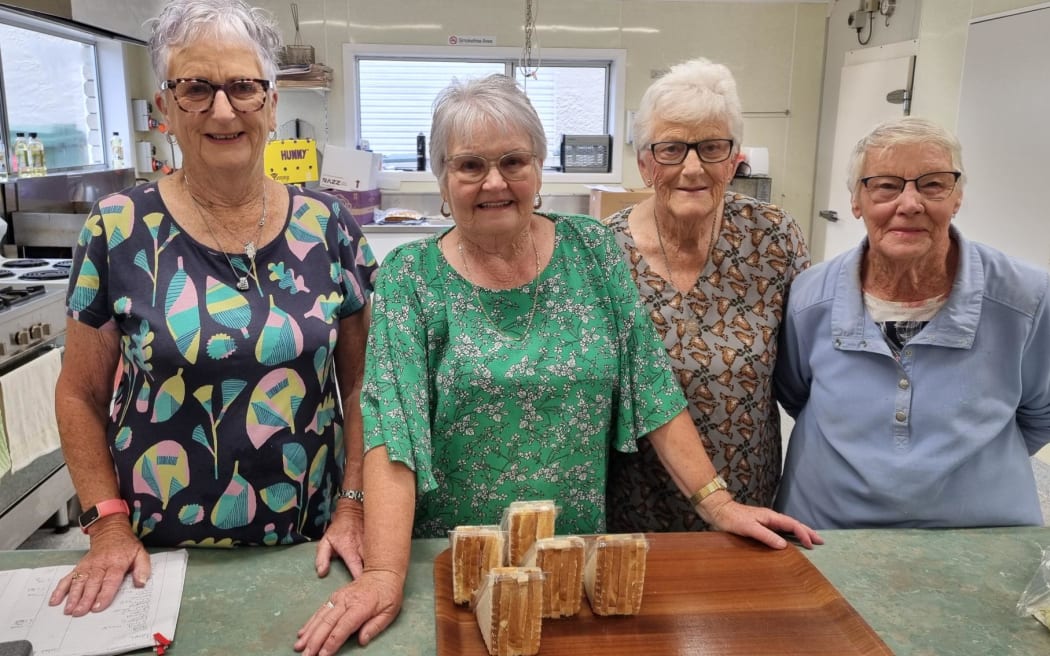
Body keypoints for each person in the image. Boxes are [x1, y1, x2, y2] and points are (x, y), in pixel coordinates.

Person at [294, 74, 820, 655]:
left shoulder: (592, 250)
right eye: (470, 166)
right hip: (456, 563)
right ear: (443, 180)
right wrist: (385, 576)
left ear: (539, 169)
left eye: (514, 161)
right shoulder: (410, 279)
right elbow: (395, 435)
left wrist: (719, 504)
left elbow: (651, 388)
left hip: (574, 562)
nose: (494, 182)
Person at [49, 0, 376, 618]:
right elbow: (79, 394)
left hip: (310, 546)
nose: (223, 110)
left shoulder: (328, 225)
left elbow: (361, 386)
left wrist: (354, 506)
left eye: (244, 87)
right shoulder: (119, 228)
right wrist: (106, 525)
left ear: (272, 104)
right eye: (197, 88)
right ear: (167, 108)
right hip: (152, 558)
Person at [774, 116, 1050, 529]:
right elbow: (796, 396)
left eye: (932, 184)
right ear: (856, 201)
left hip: (981, 539)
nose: (909, 204)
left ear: (956, 197)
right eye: (885, 185)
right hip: (827, 534)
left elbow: (1041, 414)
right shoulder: (809, 298)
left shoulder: (1026, 298)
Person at [603, 57, 811, 532]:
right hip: (636, 507)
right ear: (644, 162)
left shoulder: (773, 238)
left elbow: (804, 374)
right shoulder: (604, 252)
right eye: (672, 149)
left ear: (735, 157)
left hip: (748, 500)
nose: (693, 168)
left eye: (712, 147)